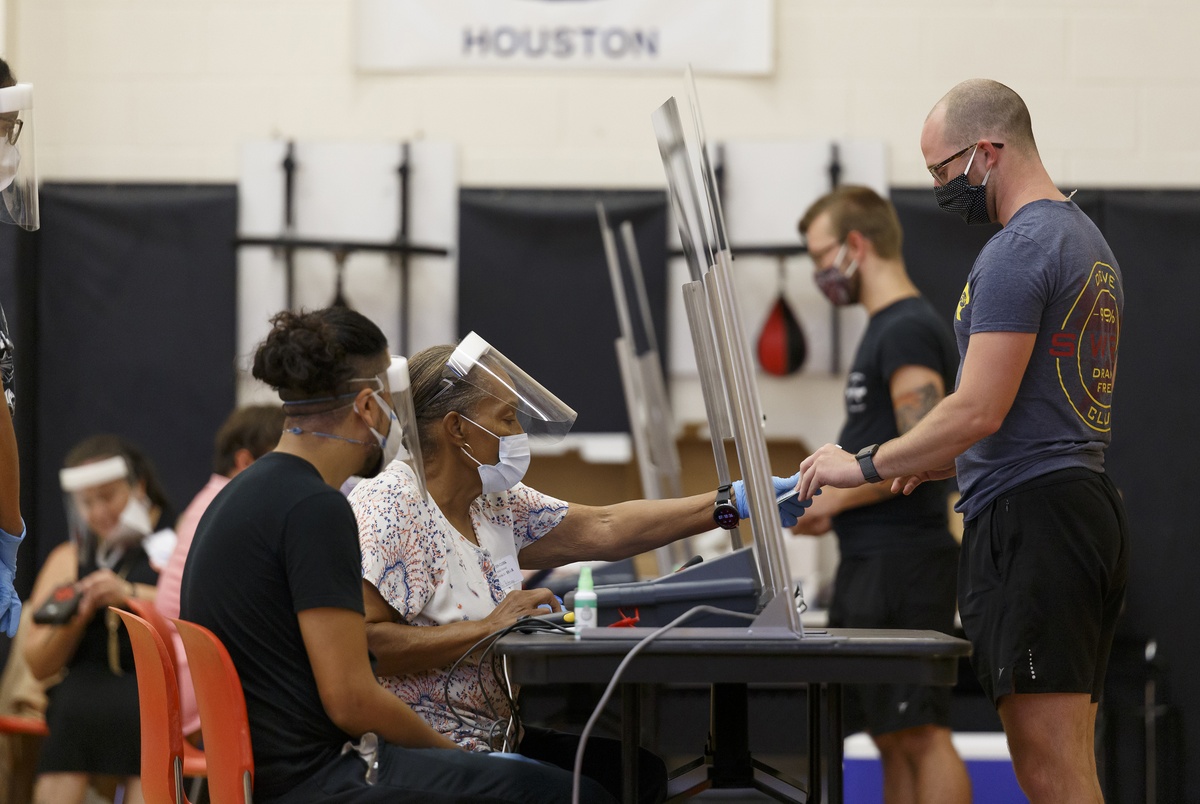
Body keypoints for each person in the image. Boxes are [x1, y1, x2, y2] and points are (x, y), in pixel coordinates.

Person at [796, 79, 1128, 804]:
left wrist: (862, 465)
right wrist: (936, 457)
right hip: (1070, 509)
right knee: (1067, 763)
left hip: (1034, 521)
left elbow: (976, 407)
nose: (942, 190)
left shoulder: (1021, 247)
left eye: (944, 172)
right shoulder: (1083, 239)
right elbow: (1024, 407)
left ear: (987, 152)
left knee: (1048, 769)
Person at [348, 332, 808, 804]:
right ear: (457, 429)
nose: (516, 435)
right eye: (506, 418)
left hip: (494, 735)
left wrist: (733, 502)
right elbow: (365, 644)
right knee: (590, 796)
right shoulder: (393, 505)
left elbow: (606, 527)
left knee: (639, 775)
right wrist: (489, 627)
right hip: (425, 746)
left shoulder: (492, 504)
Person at [181, 307, 617, 804]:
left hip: (267, 777)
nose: (402, 424)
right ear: (368, 406)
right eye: (396, 404)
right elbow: (351, 699)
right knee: (575, 796)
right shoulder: (314, 509)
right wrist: (456, 757)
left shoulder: (244, 496)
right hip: (318, 781)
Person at [792, 186, 970, 804]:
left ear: (856, 245)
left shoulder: (907, 328)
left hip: (908, 561)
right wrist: (829, 506)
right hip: (876, 561)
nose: (818, 273)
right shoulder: (886, 329)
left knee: (920, 732)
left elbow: (923, 445)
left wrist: (837, 499)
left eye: (820, 256)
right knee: (891, 736)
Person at [25, 435, 175, 804]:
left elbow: (187, 610)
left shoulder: (174, 543)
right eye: (87, 503)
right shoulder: (69, 558)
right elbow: (37, 663)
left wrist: (127, 593)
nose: (98, 512)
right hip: (82, 693)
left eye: (107, 497)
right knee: (73, 706)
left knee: (145, 711)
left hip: (150, 688)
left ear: (138, 486)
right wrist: (78, 614)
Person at [155, 404, 284, 740]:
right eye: (283, 458)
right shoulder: (237, 506)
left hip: (188, 678)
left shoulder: (209, 500)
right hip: (206, 688)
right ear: (243, 461)